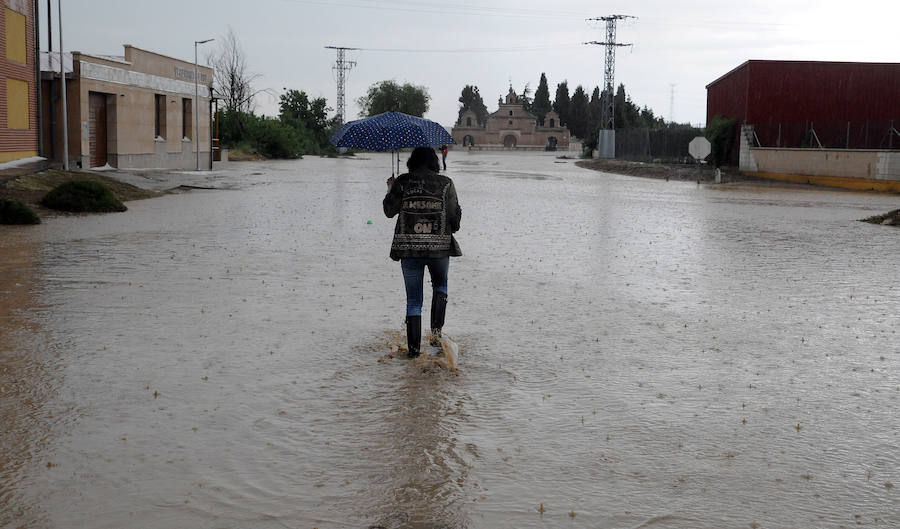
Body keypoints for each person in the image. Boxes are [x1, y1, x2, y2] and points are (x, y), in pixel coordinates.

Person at [383, 146, 462, 358]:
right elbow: (455, 221)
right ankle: (436, 338)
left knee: (413, 301)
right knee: (441, 286)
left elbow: (389, 211)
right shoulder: (445, 184)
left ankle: (414, 353)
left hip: (409, 249)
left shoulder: (402, 182)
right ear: (435, 162)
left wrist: (390, 189)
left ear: (412, 161)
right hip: (439, 249)